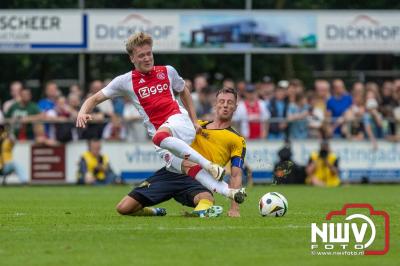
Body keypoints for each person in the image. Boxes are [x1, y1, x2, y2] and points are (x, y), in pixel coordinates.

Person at [76, 32, 245, 201]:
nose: (147, 58)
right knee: (186, 167)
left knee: (160, 136)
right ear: (132, 58)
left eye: (149, 53)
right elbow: (95, 98)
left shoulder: (167, 71)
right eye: (141, 55)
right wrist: (83, 112)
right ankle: (230, 192)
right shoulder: (125, 81)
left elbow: (184, 90)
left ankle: (209, 165)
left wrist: (193, 120)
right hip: (162, 142)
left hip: (179, 122)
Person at [116, 87, 247, 217]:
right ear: (215, 104)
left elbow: (236, 175)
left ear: (235, 107)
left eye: (229, 103)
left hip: (199, 179)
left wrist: (235, 209)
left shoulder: (237, 139)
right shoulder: (195, 125)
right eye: (221, 101)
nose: (225, 105)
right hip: (173, 172)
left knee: (206, 198)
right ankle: (156, 212)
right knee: (124, 208)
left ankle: (200, 213)